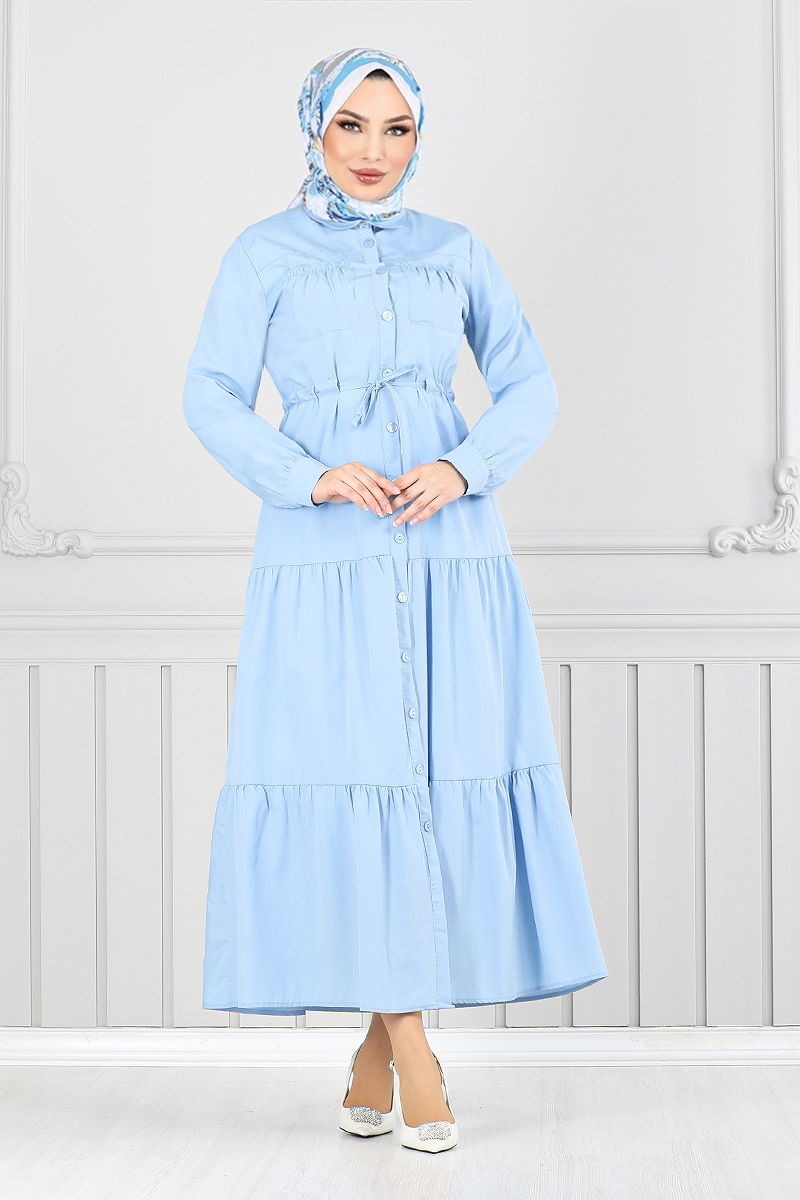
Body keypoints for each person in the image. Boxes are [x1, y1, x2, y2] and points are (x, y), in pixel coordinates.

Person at [182, 45, 608, 1155]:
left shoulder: (453, 252)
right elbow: (210, 393)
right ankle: (416, 1053)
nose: (373, 151)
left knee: (427, 776)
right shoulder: (263, 254)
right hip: (322, 551)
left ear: (418, 137)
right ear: (315, 130)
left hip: (446, 544)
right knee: (354, 770)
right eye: (351, 126)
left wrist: (466, 467)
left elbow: (529, 384)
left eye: (396, 128)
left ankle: (378, 1050)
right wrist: (305, 474)